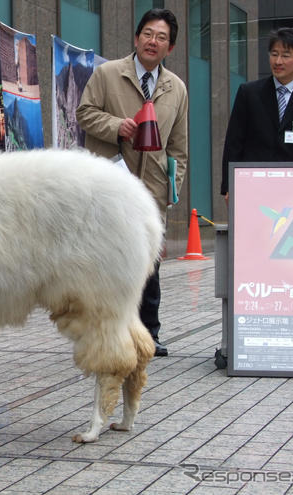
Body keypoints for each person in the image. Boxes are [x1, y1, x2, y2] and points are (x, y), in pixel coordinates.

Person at [76, 8, 188, 357]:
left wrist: (172, 187)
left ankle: (148, 336)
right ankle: (106, 335)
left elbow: (179, 147)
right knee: (108, 263)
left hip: (151, 191)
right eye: (148, 34)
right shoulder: (108, 74)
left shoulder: (177, 89)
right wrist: (116, 126)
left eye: (162, 38)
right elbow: (84, 113)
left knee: (149, 266)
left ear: (170, 48)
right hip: (111, 185)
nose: (153, 41)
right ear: (136, 38)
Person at [221, 27, 293, 202]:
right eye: (274, 54)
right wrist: (229, 186)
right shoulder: (249, 93)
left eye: (286, 55)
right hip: (254, 187)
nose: (278, 61)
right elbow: (234, 142)